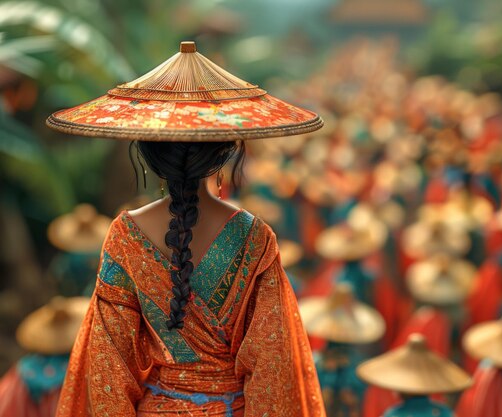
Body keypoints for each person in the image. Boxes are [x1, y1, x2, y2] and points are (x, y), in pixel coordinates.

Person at [47, 41, 325, 416]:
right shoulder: (254, 238)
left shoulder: (125, 235)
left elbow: (107, 370)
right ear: (227, 149)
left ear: (148, 152)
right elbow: (273, 369)